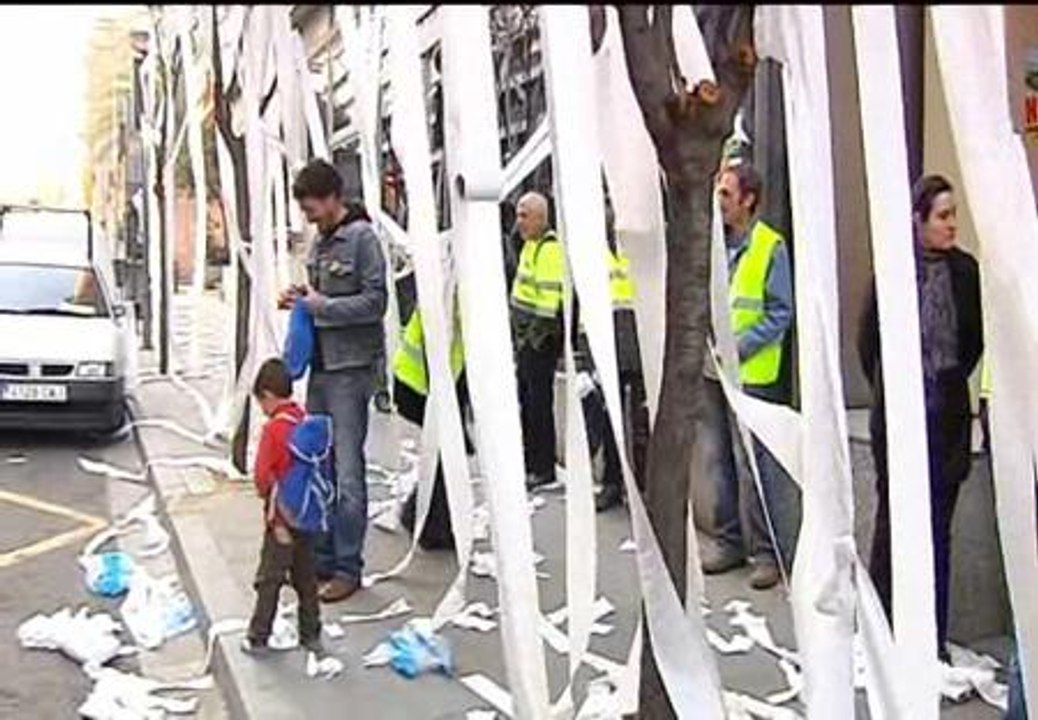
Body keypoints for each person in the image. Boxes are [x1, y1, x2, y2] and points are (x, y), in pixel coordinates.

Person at [859, 174, 983, 661]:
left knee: (938, 532)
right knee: (893, 526)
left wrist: (945, 381)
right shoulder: (894, 271)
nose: (952, 225)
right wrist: (895, 389)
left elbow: (973, 341)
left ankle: (931, 639)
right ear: (918, 221)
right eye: (943, 216)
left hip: (946, 419)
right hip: (898, 418)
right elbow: (867, 339)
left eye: (954, 215)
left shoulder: (965, 273)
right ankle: (883, 630)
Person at [281, 159, 388, 604]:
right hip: (320, 369)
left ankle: (348, 567)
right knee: (316, 465)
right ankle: (321, 558)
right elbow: (316, 299)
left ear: (331, 198)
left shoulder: (362, 239)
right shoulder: (320, 244)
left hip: (350, 371)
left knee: (347, 472)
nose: (307, 216)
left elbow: (376, 302)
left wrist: (321, 305)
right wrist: (299, 301)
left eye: (311, 208)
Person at [697, 162, 795, 591]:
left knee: (756, 467)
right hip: (713, 372)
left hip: (754, 375)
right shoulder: (715, 247)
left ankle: (768, 554)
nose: (718, 202)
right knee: (718, 459)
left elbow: (779, 312)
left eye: (725, 194)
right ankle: (728, 541)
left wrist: (737, 349)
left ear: (748, 200)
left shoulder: (770, 246)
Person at [242, 358, 322, 655]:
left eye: (261, 402)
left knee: (270, 578)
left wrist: (271, 513)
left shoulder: (273, 430)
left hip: (281, 518)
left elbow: (263, 476)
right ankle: (311, 633)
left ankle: (258, 635)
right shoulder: (305, 421)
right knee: (306, 579)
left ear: (267, 395)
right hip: (308, 516)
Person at [393, 302, 470, 550]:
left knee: (445, 455)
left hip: (424, 382)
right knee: (446, 455)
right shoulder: (451, 296)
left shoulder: (447, 289)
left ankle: (423, 515)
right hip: (424, 385)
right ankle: (429, 523)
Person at [594, 203, 650, 512]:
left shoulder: (640, 255)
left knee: (642, 421)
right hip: (611, 343)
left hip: (638, 343)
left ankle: (642, 488)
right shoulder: (601, 256)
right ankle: (613, 483)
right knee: (610, 419)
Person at [510, 191, 565, 489]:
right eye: (518, 214)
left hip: (538, 341)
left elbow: (547, 304)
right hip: (526, 339)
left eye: (524, 215)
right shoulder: (530, 246)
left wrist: (530, 339)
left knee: (537, 404)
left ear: (541, 218)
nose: (519, 222)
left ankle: (542, 467)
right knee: (527, 402)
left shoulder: (549, 250)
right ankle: (531, 462)